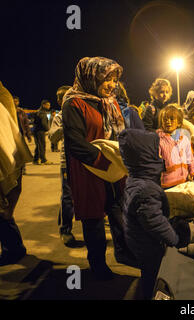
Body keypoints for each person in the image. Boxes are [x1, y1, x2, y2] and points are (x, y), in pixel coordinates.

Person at [62, 56, 137, 280]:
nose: (112, 85)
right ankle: (98, 264)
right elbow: (75, 143)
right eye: (107, 79)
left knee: (119, 212)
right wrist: (104, 162)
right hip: (89, 170)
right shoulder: (74, 103)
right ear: (91, 77)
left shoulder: (110, 102)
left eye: (114, 80)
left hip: (114, 169)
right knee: (93, 219)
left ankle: (126, 253)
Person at [118, 128, 190, 299]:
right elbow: (154, 221)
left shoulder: (136, 178)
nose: (159, 155)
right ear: (146, 155)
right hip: (146, 243)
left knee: (147, 270)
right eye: (156, 151)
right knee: (153, 272)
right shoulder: (146, 188)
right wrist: (174, 239)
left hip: (136, 238)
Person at [0, 83, 32, 266]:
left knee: (3, 212)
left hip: (7, 158)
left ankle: (14, 249)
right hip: (8, 156)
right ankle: (14, 248)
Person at [48, 85, 79, 247]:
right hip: (66, 163)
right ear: (60, 101)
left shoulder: (79, 113)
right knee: (68, 198)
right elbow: (52, 137)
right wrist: (65, 125)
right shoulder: (60, 116)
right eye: (66, 98)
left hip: (82, 161)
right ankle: (65, 230)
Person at [157, 104, 194, 189]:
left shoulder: (185, 139)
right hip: (167, 185)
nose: (168, 121)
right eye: (165, 119)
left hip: (184, 182)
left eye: (172, 119)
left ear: (179, 123)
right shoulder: (158, 140)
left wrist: (193, 171)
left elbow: (190, 158)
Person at [32, 99, 53, 165]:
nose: (49, 106)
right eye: (48, 105)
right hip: (40, 131)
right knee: (42, 145)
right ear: (43, 105)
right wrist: (48, 129)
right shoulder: (42, 112)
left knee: (38, 145)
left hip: (37, 130)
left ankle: (35, 160)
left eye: (49, 105)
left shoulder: (40, 111)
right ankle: (43, 160)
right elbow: (44, 123)